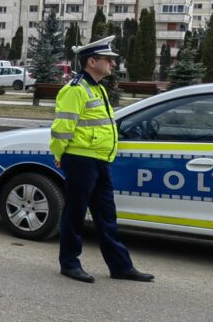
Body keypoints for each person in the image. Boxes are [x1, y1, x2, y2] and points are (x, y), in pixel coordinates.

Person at [49, 36, 154, 284]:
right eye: (108, 59)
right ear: (92, 62)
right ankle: (69, 263)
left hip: (100, 160)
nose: (113, 64)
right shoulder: (75, 89)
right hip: (80, 159)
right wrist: (59, 155)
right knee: (75, 214)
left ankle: (120, 266)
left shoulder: (98, 88)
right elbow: (62, 129)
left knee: (107, 216)